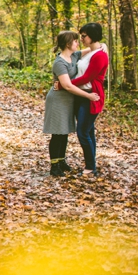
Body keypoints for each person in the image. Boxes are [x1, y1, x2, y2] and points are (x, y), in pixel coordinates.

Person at [43, 31, 100, 177]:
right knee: (58, 133)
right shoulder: (59, 62)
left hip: (69, 100)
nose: (78, 43)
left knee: (65, 132)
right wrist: (88, 95)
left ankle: (61, 161)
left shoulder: (74, 56)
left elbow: (94, 48)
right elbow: (67, 85)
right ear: (68, 43)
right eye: (75, 41)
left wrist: (102, 45)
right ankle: (54, 166)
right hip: (58, 100)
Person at [68, 23, 108, 176]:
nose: (82, 39)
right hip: (80, 95)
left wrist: (66, 84)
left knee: (83, 132)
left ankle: (91, 168)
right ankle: (91, 165)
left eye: (84, 36)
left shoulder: (100, 55)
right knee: (88, 131)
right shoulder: (91, 52)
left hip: (91, 97)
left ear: (93, 36)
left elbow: (87, 77)